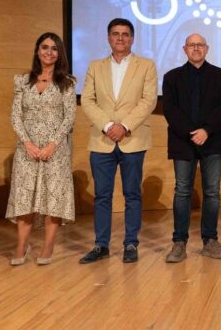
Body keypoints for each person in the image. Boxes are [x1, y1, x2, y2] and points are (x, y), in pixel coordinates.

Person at [79, 18, 158, 264]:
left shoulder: (146, 66)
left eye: (125, 34)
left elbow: (148, 101)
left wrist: (123, 126)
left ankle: (130, 243)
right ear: (108, 37)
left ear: (132, 39)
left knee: (132, 194)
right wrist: (107, 126)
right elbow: (87, 100)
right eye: (115, 34)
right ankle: (101, 245)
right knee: (102, 195)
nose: (120, 38)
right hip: (101, 140)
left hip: (132, 139)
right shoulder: (95, 66)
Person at [7, 32, 76, 266]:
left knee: (53, 198)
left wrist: (51, 145)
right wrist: (27, 143)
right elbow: (16, 115)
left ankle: (48, 245)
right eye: (45, 47)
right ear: (37, 50)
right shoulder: (22, 81)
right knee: (25, 197)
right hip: (26, 149)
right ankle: (21, 245)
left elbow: (69, 119)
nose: (49, 52)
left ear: (60, 54)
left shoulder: (67, 82)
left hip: (55, 150)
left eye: (54, 48)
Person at [162, 34, 221, 263]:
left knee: (212, 192)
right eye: (192, 45)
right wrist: (192, 132)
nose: (196, 48)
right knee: (182, 192)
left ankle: (210, 241)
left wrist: (206, 131)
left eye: (200, 45)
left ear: (207, 48)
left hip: (213, 140)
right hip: (183, 141)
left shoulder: (220, 75)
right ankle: (179, 243)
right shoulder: (171, 77)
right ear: (184, 49)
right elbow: (170, 111)